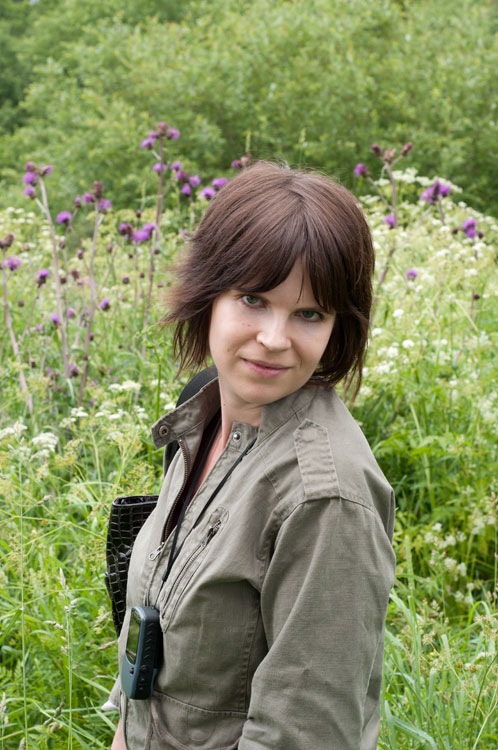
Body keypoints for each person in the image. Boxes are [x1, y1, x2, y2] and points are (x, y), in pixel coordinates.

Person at [108, 161, 396, 750]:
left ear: (338, 327)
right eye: (253, 299)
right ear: (208, 293)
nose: (274, 339)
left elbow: (304, 735)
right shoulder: (208, 412)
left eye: (309, 313)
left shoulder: (324, 499)